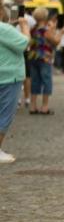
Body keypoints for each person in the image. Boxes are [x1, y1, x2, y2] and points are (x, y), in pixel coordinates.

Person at [0, 9, 30, 163]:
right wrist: (25, 26)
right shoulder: (4, 29)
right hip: (7, 76)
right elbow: (23, 44)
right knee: (5, 114)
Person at [28, 8, 63, 115]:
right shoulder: (46, 30)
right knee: (46, 81)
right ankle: (44, 107)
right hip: (44, 58)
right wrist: (60, 33)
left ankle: (33, 106)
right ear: (45, 17)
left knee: (35, 81)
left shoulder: (32, 29)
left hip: (33, 57)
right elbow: (55, 42)